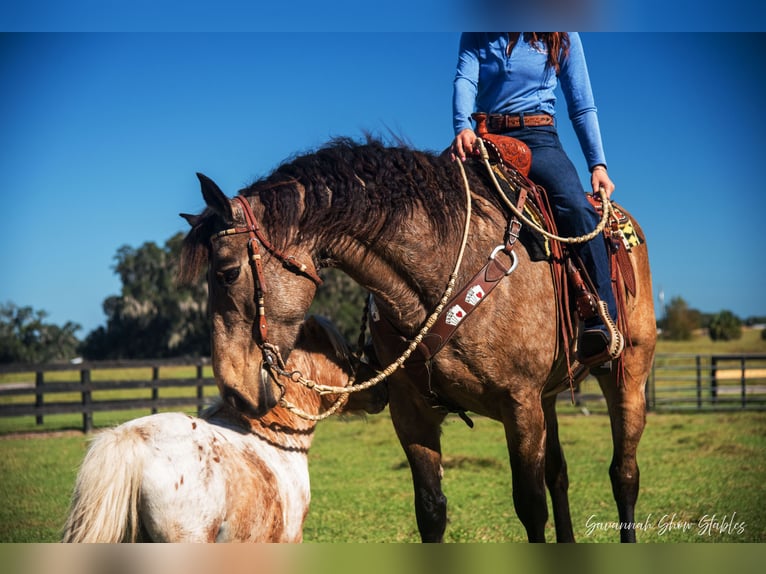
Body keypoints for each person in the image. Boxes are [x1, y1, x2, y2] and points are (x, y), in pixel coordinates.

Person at [450, 32, 622, 367]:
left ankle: (603, 321)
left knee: (575, 207)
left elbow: (581, 103)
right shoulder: (477, 33)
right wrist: (462, 126)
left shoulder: (562, 34)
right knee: (428, 200)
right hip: (484, 138)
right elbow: (465, 79)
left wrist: (597, 164)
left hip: (538, 138)